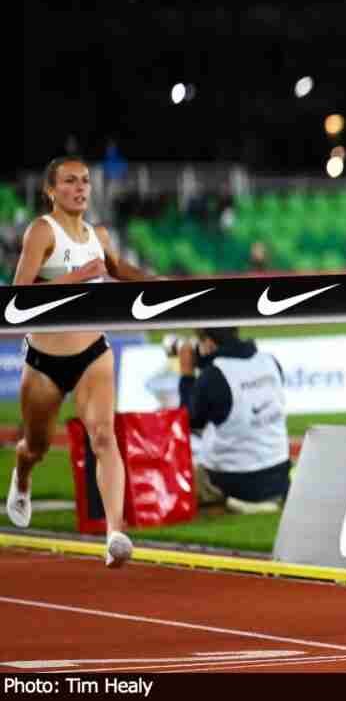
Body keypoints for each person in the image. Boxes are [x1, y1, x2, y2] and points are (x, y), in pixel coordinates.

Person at [6, 156, 156, 568]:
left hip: (93, 353)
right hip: (45, 361)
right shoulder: (42, 231)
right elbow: (19, 296)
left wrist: (162, 287)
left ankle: (114, 533)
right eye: (70, 181)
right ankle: (22, 474)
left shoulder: (99, 234)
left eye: (86, 181)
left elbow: (120, 269)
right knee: (34, 446)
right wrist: (81, 275)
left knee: (104, 437)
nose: (81, 188)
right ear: (51, 190)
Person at [176, 327, 290, 514]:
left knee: (189, 450)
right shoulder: (270, 361)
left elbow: (188, 422)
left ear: (209, 343)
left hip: (233, 482)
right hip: (279, 476)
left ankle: (224, 502)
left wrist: (187, 375)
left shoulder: (213, 375)